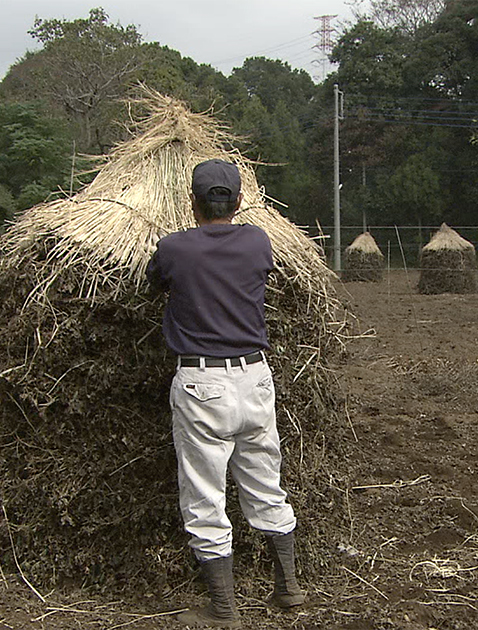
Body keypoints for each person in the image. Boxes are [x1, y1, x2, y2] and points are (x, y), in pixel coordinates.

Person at [146, 159, 306, 627]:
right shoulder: (258, 241)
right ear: (238, 202)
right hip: (255, 380)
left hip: (203, 385)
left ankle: (223, 608)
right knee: (265, 486)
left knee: (204, 496)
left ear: (192, 203)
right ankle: (289, 588)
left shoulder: (174, 248)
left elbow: (155, 280)